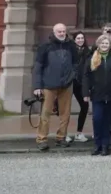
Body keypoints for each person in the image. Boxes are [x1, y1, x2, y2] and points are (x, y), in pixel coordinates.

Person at [32, 23, 78, 151]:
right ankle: (42, 139)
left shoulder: (71, 46)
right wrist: (37, 86)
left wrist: (72, 75)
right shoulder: (45, 47)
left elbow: (76, 63)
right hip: (48, 85)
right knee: (45, 113)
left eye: (63, 31)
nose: (62, 33)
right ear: (54, 32)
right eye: (59, 31)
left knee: (65, 114)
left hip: (67, 84)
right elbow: (38, 67)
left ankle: (61, 137)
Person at [83, 34, 111, 156]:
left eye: (107, 43)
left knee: (108, 121)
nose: (105, 45)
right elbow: (86, 77)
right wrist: (86, 92)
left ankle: (105, 145)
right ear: (98, 44)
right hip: (97, 95)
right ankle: (97, 144)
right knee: (97, 119)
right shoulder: (92, 58)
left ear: (110, 45)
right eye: (102, 43)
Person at [65, 32, 91, 144]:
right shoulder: (70, 51)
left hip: (81, 83)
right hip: (70, 82)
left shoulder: (88, 52)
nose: (80, 40)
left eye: (82, 38)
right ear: (74, 40)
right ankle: (63, 133)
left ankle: (79, 132)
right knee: (65, 107)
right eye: (78, 38)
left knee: (84, 106)